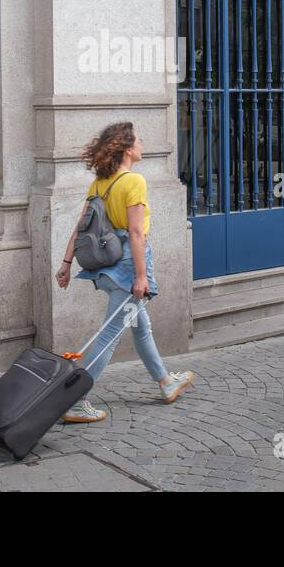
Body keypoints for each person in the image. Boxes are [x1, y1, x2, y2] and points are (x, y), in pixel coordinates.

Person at [55, 121, 195, 422]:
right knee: (108, 336)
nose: (143, 144)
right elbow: (135, 234)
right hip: (128, 267)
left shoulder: (99, 183)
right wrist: (141, 277)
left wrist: (66, 265)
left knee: (140, 327)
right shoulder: (134, 182)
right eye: (140, 140)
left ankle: (165, 382)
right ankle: (75, 401)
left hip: (105, 268)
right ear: (128, 149)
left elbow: (81, 229)